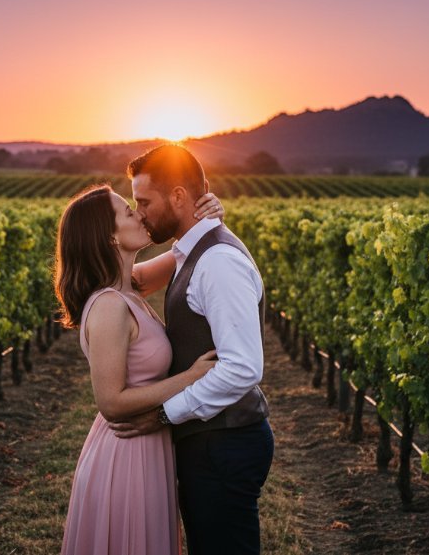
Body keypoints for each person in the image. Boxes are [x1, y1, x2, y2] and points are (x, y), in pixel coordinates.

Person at [110, 144, 274, 555]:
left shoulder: (217, 260)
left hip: (223, 443)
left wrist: (165, 413)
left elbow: (242, 368)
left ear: (180, 197)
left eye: (144, 201)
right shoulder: (190, 250)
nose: (140, 211)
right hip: (211, 441)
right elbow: (129, 281)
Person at [56, 183, 226, 555]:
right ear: (110, 236)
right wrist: (190, 379)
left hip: (148, 446)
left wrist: (208, 216)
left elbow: (189, 251)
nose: (139, 213)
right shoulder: (109, 306)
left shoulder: (131, 286)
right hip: (126, 455)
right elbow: (111, 402)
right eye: (126, 211)